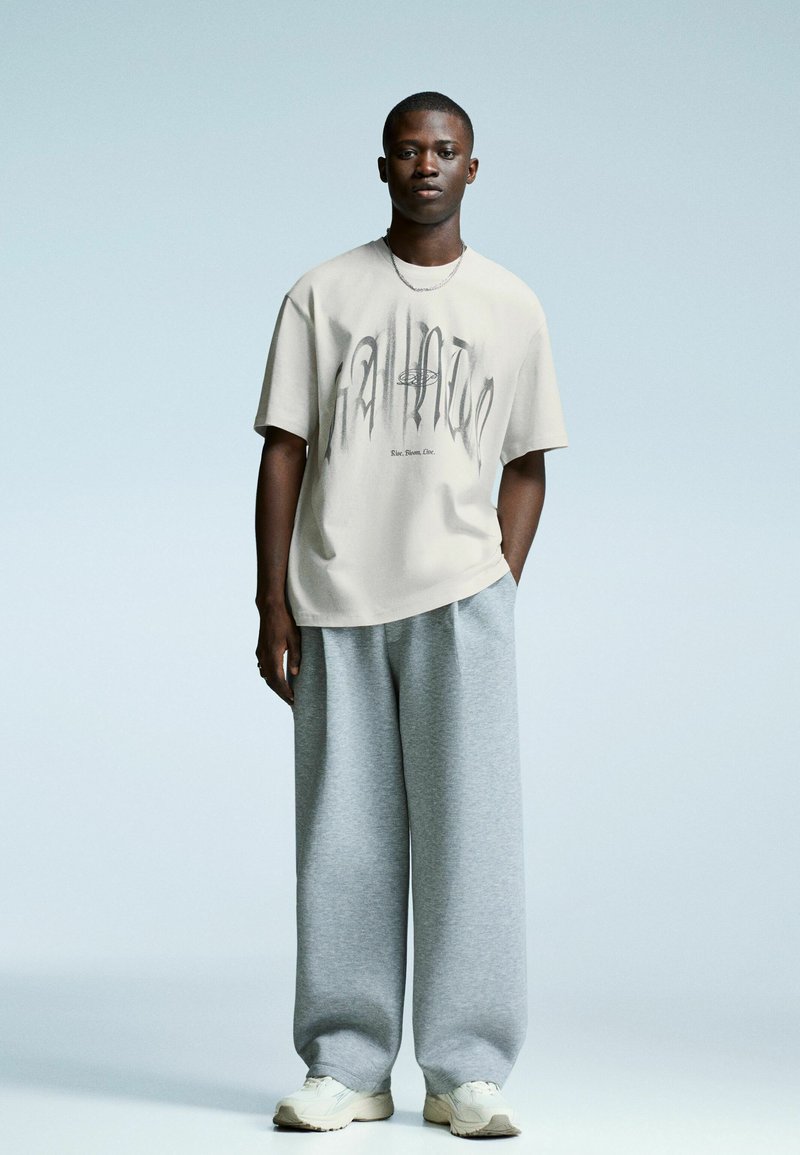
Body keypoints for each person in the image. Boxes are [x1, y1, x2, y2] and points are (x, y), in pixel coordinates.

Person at [253, 91, 568, 1139]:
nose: (426, 164)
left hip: (461, 604)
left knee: (472, 839)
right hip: (336, 601)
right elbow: (284, 451)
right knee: (342, 842)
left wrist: (496, 581)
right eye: (408, 150)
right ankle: (346, 1065)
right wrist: (272, 601)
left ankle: (464, 1071)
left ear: (473, 167)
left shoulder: (511, 304)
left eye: (445, 150)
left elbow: (528, 462)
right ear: (381, 165)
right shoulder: (321, 294)